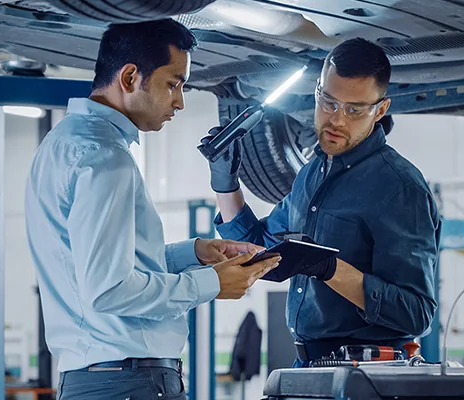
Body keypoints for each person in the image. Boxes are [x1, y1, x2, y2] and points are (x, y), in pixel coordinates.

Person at [25, 19, 281, 399]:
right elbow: (109, 289)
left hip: (98, 380)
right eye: (173, 84)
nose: (179, 101)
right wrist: (212, 284)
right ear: (130, 78)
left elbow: (96, 266)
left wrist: (190, 253)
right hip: (128, 382)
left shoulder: (63, 143)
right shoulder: (105, 158)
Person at [204, 38, 441, 367]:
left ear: (381, 109)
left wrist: (331, 270)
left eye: (354, 109)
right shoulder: (311, 174)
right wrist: (225, 183)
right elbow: (258, 254)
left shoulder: (399, 189)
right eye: (328, 102)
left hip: (368, 372)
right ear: (316, 90)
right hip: (309, 366)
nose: (337, 120)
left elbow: (416, 313)